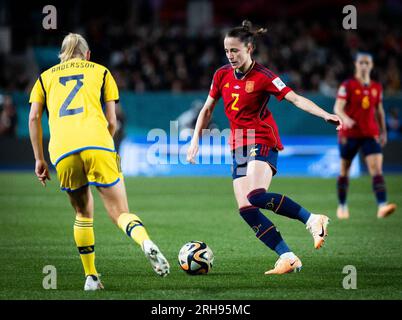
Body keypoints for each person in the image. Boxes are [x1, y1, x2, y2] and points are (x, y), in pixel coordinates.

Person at [187, 21, 342, 275]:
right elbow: (206, 109)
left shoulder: (264, 76)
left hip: (261, 138)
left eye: (235, 50)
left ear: (249, 48)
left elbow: (295, 98)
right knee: (247, 210)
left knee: (256, 195)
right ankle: (288, 257)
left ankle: (313, 219)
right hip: (237, 144)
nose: (230, 55)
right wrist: (195, 140)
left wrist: (325, 114)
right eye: (227, 51)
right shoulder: (221, 75)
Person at [28, 33, 169, 291]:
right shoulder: (102, 72)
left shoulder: (44, 78)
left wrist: (39, 158)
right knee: (120, 212)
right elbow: (113, 121)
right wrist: (105, 143)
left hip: (63, 149)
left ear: (62, 54)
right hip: (98, 142)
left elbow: (34, 118)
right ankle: (145, 242)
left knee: (83, 213)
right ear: (88, 54)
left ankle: (91, 277)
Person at [334, 52, 397, 219]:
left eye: (367, 63)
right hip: (349, 134)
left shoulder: (377, 87)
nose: (364, 65)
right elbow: (337, 108)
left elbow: (379, 111)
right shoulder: (347, 85)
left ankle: (382, 206)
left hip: (370, 134)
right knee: (344, 171)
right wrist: (346, 119)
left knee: (376, 170)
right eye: (361, 62)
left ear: (371, 65)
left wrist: (383, 131)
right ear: (356, 64)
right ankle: (342, 206)